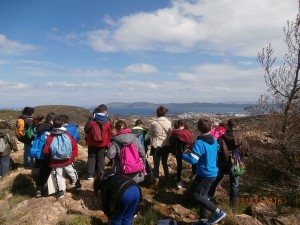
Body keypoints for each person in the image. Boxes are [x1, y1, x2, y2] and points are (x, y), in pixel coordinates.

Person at [182, 119, 226, 225]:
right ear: (210, 129)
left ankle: (218, 212)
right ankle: (204, 220)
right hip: (212, 172)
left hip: (205, 174)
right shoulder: (214, 140)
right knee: (203, 196)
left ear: (198, 129)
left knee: (195, 195)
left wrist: (182, 155)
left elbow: (193, 160)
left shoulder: (200, 142)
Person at [208, 118, 250, 209]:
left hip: (222, 163)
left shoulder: (221, 137)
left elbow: (217, 151)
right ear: (237, 126)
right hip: (236, 163)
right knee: (234, 184)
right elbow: (247, 152)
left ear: (228, 126)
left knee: (215, 181)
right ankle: (233, 206)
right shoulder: (242, 138)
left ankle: (208, 197)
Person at [43, 117, 81, 198]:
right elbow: (74, 145)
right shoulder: (67, 135)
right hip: (68, 159)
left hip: (55, 161)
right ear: (62, 124)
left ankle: (60, 192)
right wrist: (72, 155)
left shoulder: (50, 137)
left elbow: (46, 151)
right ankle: (76, 183)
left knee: (58, 176)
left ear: (53, 125)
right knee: (72, 171)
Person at [84, 104, 111, 179]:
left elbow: (86, 130)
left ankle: (89, 175)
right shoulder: (107, 121)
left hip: (92, 142)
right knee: (101, 158)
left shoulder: (92, 119)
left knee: (91, 157)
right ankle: (101, 173)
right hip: (103, 143)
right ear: (105, 111)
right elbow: (110, 131)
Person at [34, 112, 56, 198]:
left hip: (41, 152)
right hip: (50, 152)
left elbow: (33, 137)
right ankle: (55, 189)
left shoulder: (38, 127)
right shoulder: (52, 129)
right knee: (53, 170)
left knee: (43, 170)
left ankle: (39, 189)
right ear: (51, 121)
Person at [149, 106, 172, 186]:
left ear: (157, 113)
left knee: (156, 164)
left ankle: (156, 179)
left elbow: (150, 134)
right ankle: (167, 176)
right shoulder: (169, 122)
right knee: (165, 162)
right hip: (166, 144)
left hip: (156, 145)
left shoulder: (153, 123)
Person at [169, 120, 192, 189]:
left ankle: (178, 181)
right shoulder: (187, 132)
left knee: (179, 166)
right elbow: (189, 141)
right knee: (194, 164)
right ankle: (193, 178)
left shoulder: (174, 133)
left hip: (178, 152)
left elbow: (171, 143)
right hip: (187, 151)